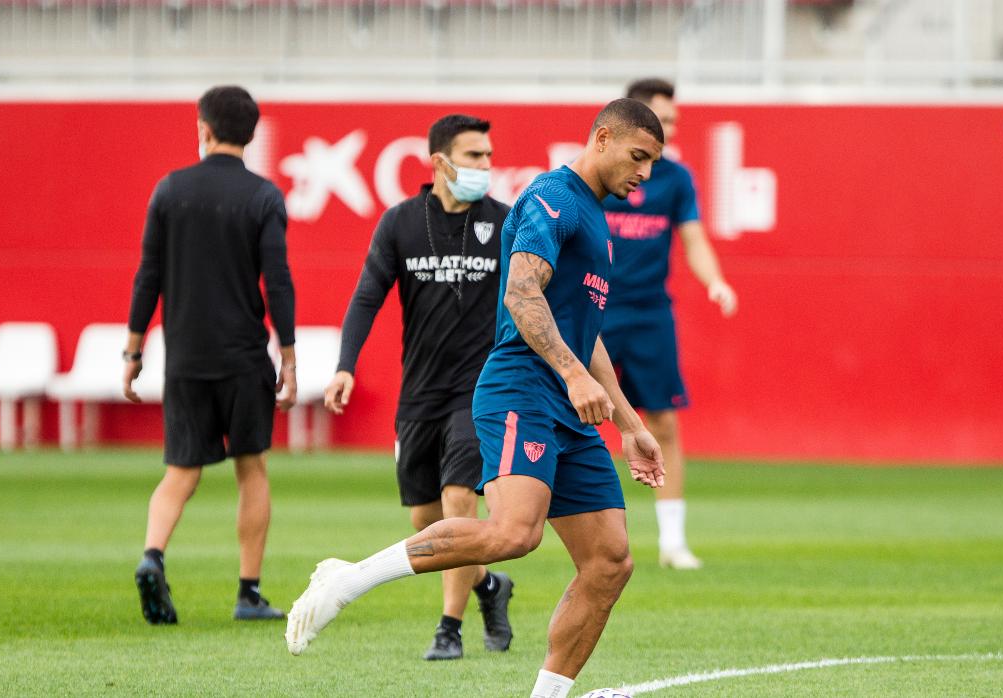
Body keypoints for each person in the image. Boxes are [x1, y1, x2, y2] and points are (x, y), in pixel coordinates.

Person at [286, 98, 667, 698]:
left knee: (611, 561)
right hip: (522, 385)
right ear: (601, 139)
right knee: (515, 533)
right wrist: (571, 375)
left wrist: (630, 423)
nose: (645, 173)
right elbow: (520, 294)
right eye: (638, 156)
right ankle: (347, 578)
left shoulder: (597, 219)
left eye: (653, 162)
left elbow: (586, 339)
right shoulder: (553, 197)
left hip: (566, 402)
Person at [323, 114, 515, 661]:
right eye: (475, 156)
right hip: (420, 394)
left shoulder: (504, 223)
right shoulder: (401, 223)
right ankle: (487, 585)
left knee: (459, 503)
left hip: (478, 391)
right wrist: (345, 365)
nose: (486, 166)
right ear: (440, 162)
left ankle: (448, 628)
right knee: (424, 518)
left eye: (488, 156)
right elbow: (366, 297)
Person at [124, 85, 296, 624]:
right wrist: (288, 354)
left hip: (186, 358)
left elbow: (148, 273)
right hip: (244, 356)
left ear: (203, 128)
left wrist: (133, 350)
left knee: (180, 471)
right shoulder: (264, 197)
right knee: (252, 468)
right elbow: (278, 281)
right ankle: (248, 592)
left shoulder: (170, 190)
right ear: (250, 132)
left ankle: (153, 556)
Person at [600, 78, 738, 570]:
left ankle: (672, 542)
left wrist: (715, 281)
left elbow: (694, 239)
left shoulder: (676, 179)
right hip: (594, 310)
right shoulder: (600, 173)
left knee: (662, 423)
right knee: (565, 413)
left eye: (676, 119)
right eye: (665, 118)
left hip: (649, 314)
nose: (674, 127)